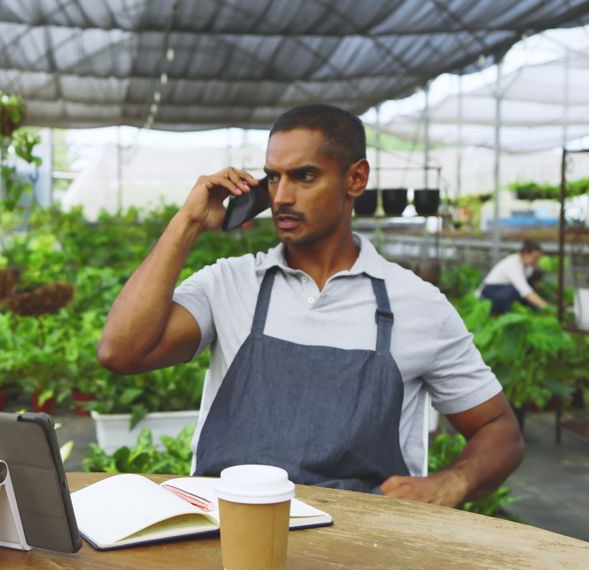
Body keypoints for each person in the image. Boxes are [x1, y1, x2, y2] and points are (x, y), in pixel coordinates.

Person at [96, 104, 524, 507]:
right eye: (273, 178)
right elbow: (121, 351)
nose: (281, 197)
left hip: (362, 546)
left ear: (355, 179)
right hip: (229, 537)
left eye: (303, 176)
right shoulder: (229, 284)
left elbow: (499, 428)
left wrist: (451, 482)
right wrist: (186, 223)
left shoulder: (417, 304)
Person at [478, 241, 548, 315]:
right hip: (489, 293)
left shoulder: (528, 267)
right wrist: (546, 307)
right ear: (525, 254)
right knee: (514, 291)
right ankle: (500, 315)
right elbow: (526, 291)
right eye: (535, 258)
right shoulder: (513, 264)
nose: (536, 261)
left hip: (503, 292)